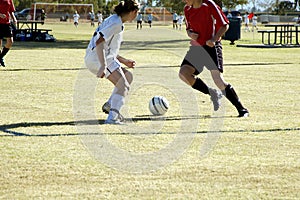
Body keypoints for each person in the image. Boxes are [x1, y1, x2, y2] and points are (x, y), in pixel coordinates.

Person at [179, 0, 249, 117]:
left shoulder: (209, 5)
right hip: (197, 48)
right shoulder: (187, 9)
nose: (183, 1)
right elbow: (188, 29)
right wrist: (190, 34)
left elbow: (225, 25)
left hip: (212, 47)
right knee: (184, 74)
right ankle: (213, 94)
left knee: (218, 81)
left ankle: (242, 109)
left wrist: (214, 39)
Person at [84, 0, 139, 124]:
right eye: (137, 13)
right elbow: (99, 42)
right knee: (123, 86)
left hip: (101, 57)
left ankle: (110, 104)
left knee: (128, 76)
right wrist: (103, 65)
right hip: (98, 59)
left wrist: (124, 61)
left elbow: (107, 47)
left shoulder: (115, 20)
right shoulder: (116, 23)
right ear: (133, 12)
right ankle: (112, 118)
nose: (137, 16)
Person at [0, 0, 17, 67]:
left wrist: (14, 19)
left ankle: (0, 57)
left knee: (10, 41)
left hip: (7, 23)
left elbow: (11, 11)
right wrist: (0, 15)